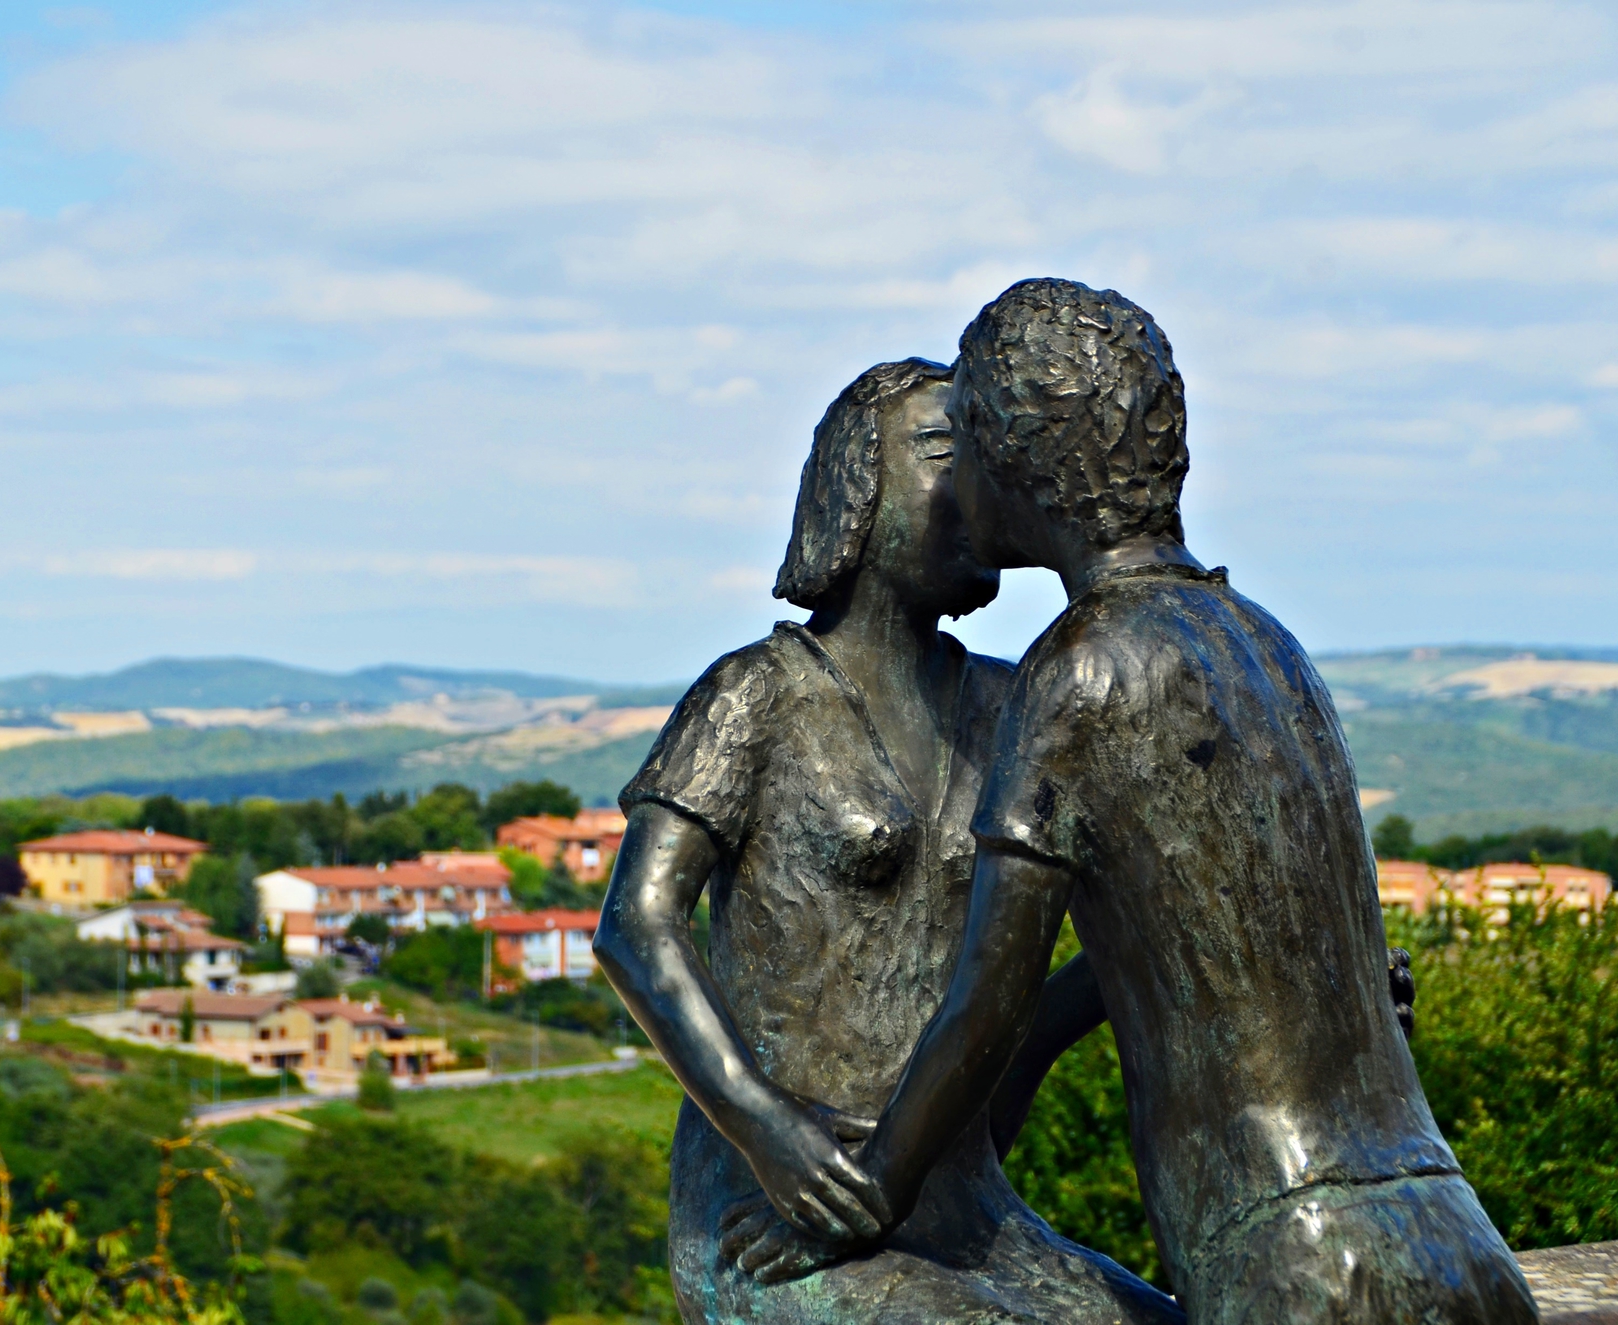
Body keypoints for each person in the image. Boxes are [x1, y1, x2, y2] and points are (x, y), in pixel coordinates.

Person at [744, 280, 1534, 1323]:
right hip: (1450, 1228)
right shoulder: (1264, 643)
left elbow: (988, 997)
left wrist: (869, 1190)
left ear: (1017, 465)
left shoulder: (1076, 673)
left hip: (1295, 1255)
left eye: (965, 444)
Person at [594, 358, 1183, 1323]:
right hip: (776, 1211)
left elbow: (1023, 994)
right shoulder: (759, 693)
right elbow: (637, 925)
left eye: (986, 456)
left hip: (963, 1207)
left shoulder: (1011, 705)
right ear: (856, 488)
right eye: (945, 451)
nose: (976, 483)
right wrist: (766, 1126)